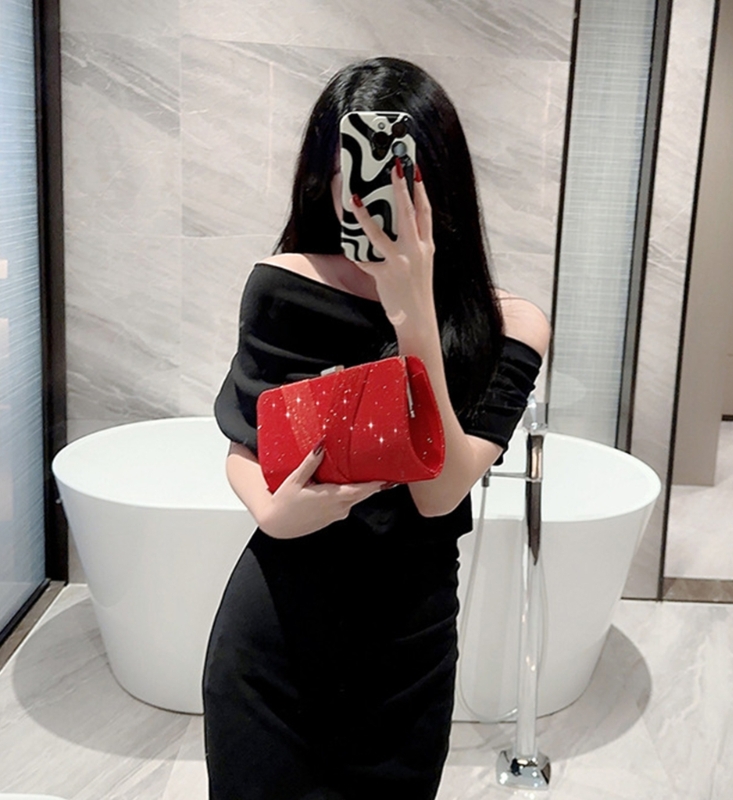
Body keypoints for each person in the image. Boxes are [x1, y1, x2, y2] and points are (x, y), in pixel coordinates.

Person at [202, 56, 551, 800]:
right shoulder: (284, 283)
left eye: (395, 176)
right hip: (275, 636)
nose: (363, 197)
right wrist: (271, 511)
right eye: (346, 174)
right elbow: (245, 444)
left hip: (406, 652)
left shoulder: (510, 324)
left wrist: (412, 306)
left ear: (437, 181)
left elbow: (439, 492)